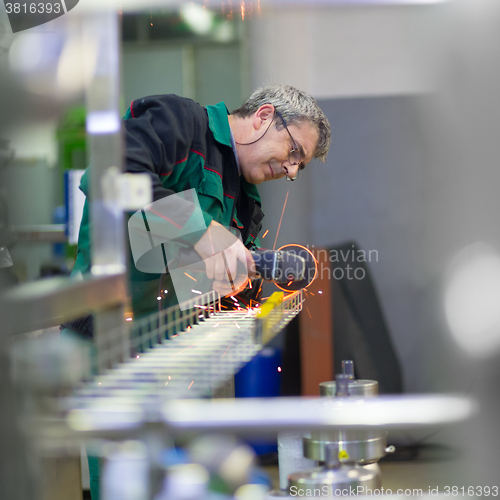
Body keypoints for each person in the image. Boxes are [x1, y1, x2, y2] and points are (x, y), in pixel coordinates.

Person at [63, 84, 330, 500]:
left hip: (181, 357)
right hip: (114, 344)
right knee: (129, 482)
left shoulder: (246, 202)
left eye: (301, 166)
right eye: (294, 151)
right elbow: (110, 174)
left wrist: (244, 286)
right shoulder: (182, 123)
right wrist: (201, 232)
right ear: (263, 117)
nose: (292, 170)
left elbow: (209, 285)